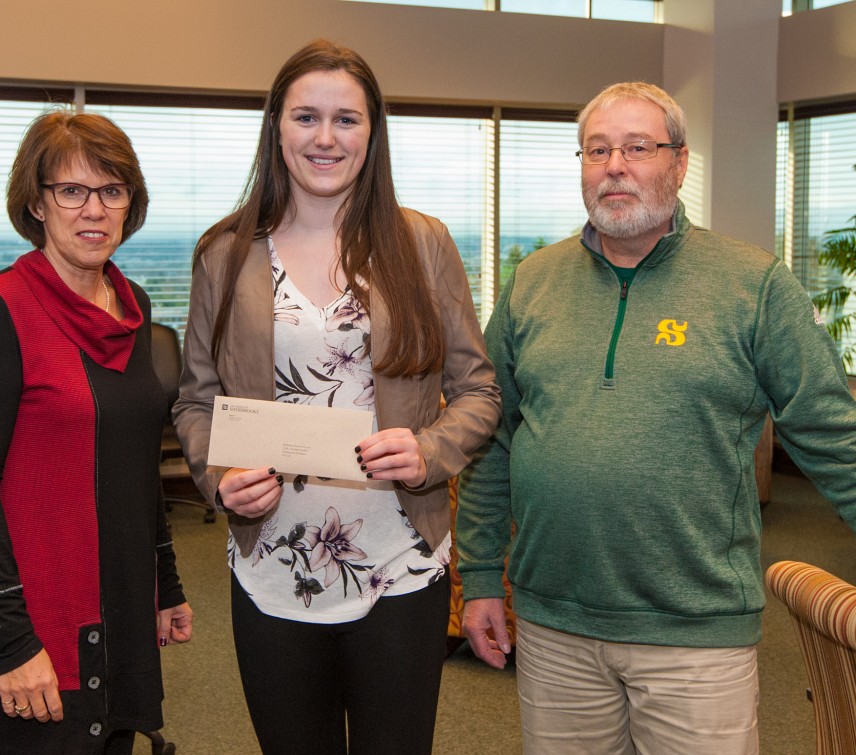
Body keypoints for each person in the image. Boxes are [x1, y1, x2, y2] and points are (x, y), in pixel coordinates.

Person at [456, 81, 856, 754]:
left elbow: (831, 433)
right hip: (554, 623)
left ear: (679, 162)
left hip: (696, 631)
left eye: (637, 147)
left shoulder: (751, 285)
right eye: (597, 149)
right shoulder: (533, 281)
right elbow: (492, 436)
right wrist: (479, 578)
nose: (614, 165)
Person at [171, 39, 500, 754]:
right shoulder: (223, 252)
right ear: (276, 128)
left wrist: (429, 450)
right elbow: (196, 401)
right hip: (272, 567)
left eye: (346, 120)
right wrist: (220, 480)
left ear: (372, 133)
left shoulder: (423, 243)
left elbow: (477, 389)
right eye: (306, 117)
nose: (326, 138)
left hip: (401, 563)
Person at [0, 110, 193, 755]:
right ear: (36, 202)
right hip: (32, 614)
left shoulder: (131, 309)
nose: (93, 210)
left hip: (119, 599)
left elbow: (131, 464)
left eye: (111, 191)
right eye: (71, 191)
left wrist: (167, 582)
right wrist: (13, 641)